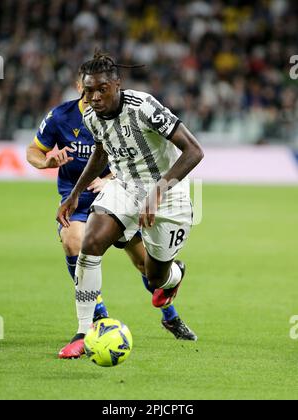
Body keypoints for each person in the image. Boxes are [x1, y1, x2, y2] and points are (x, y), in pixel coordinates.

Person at [27, 66, 198, 358]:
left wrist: (157, 193)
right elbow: (102, 152)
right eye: (88, 90)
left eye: (101, 89)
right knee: (87, 246)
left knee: (155, 277)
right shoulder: (90, 116)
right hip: (124, 187)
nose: (94, 96)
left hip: (167, 195)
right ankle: (84, 331)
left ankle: (174, 275)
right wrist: (74, 194)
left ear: (117, 84)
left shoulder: (145, 107)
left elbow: (194, 151)